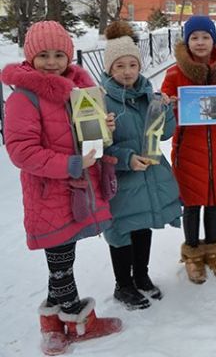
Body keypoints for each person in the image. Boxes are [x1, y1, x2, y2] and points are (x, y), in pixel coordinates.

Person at [2, 21, 121, 355]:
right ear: (30, 57)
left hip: (76, 188)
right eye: (44, 55)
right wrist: (69, 164)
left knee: (63, 255)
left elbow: (84, 131)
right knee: (60, 259)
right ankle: (79, 321)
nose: (52, 61)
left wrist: (103, 125)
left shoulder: (78, 88)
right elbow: (22, 152)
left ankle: (52, 324)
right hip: (49, 192)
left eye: (59, 54)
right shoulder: (24, 98)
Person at [101, 21, 182, 309]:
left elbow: (165, 133)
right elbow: (96, 146)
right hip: (121, 180)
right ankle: (123, 285)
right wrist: (124, 158)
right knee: (122, 229)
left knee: (143, 225)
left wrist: (167, 109)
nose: (126, 71)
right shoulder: (100, 100)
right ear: (110, 68)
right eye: (119, 65)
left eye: (132, 65)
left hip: (148, 174)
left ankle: (142, 277)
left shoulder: (149, 95)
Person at [161, 15, 216, 284]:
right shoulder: (175, 73)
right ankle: (193, 256)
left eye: (205, 37)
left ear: (213, 40)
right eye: (195, 37)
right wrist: (168, 104)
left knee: (214, 200)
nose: (200, 42)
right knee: (192, 202)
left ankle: (212, 251)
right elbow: (162, 109)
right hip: (188, 147)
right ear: (187, 41)